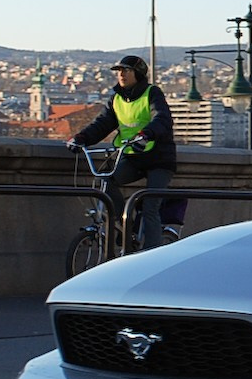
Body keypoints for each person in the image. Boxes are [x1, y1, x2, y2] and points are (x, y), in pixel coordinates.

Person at [67, 54, 177, 251]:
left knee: (151, 207)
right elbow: (103, 124)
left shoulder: (152, 93)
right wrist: (80, 138)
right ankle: (125, 225)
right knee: (106, 182)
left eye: (126, 70)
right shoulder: (116, 98)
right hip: (131, 156)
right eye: (119, 71)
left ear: (138, 73)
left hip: (159, 158)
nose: (121, 74)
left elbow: (162, 118)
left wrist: (147, 134)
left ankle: (153, 256)